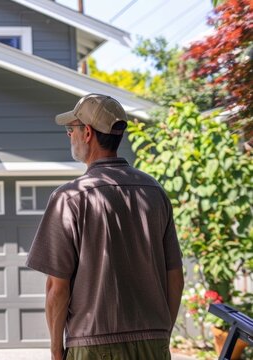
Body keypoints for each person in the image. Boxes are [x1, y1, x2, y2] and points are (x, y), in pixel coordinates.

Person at [26, 94, 185, 360]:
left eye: (71, 129)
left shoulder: (71, 197)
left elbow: (57, 287)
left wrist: (56, 352)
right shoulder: (154, 192)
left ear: (87, 133)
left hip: (93, 345)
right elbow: (175, 278)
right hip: (153, 342)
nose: (69, 136)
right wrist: (161, 335)